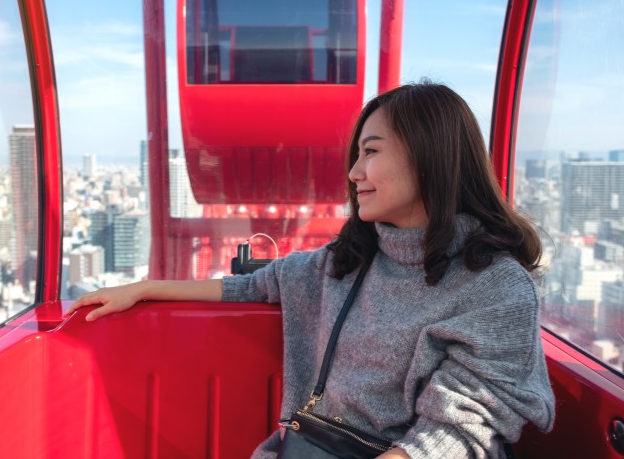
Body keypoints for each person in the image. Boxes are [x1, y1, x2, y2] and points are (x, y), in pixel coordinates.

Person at [66, 82, 555, 458]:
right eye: (356, 154)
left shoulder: (495, 287)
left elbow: (455, 430)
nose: (353, 173)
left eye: (371, 152)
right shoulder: (349, 261)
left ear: (428, 156)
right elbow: (255, 284)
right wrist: (146, 287)